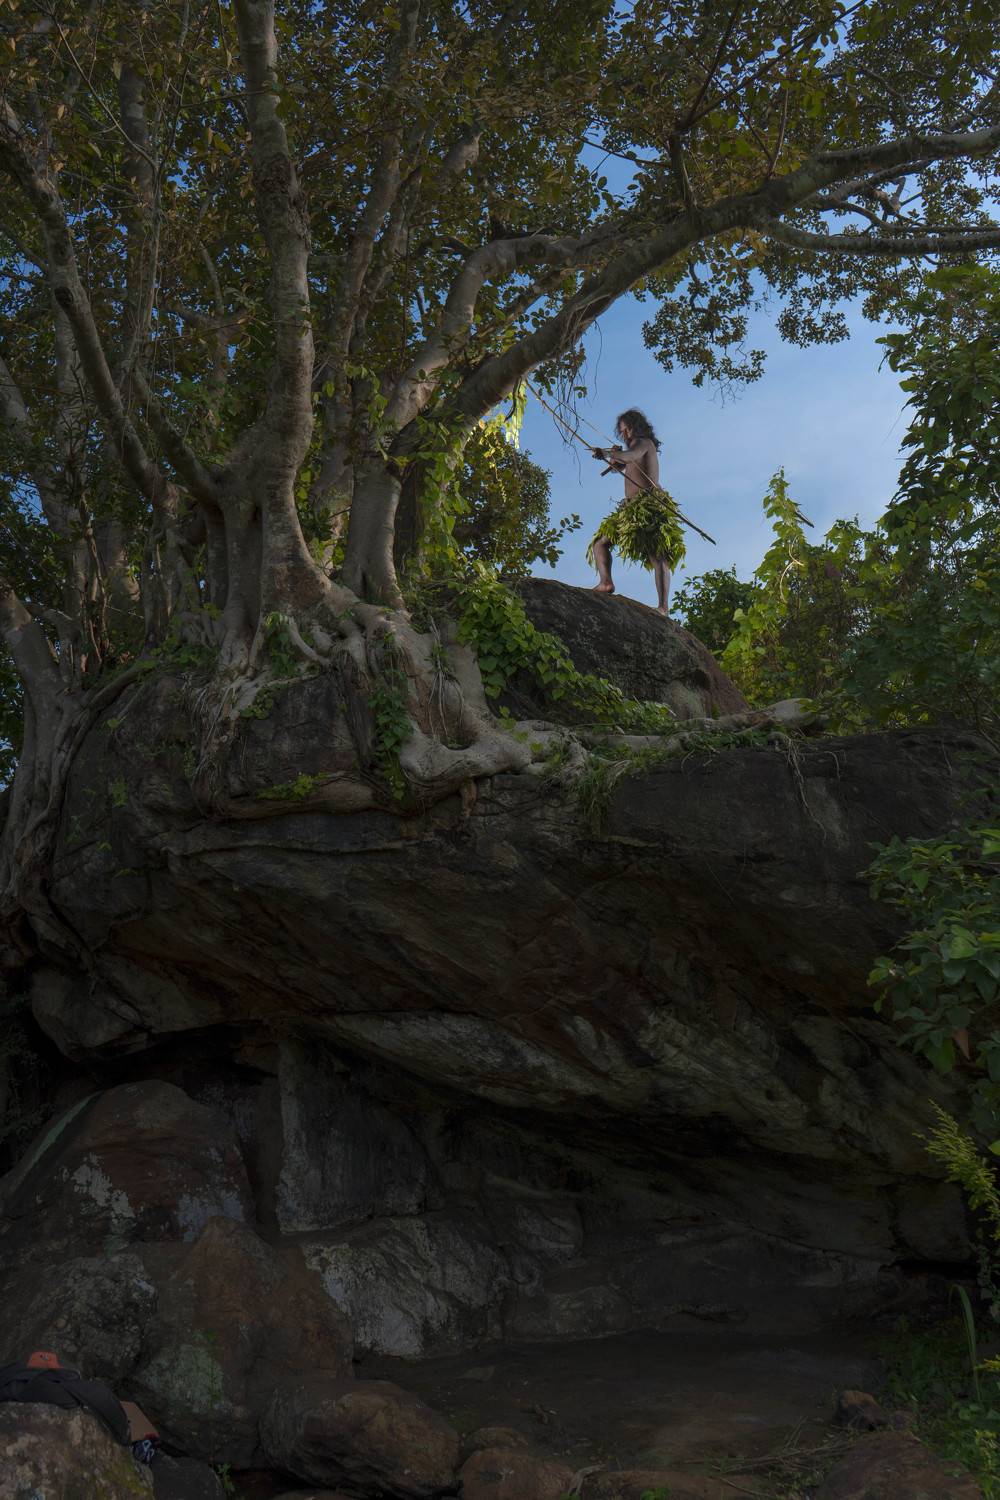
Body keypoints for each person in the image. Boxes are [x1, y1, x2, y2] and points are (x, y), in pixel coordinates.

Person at [588, 409, 685, 616]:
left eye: (628, 429)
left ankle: (663, 607)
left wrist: (608, 453)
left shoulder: (643, 443)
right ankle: (606, 583)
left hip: (648, 507)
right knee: (600, 543)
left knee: (656, 554)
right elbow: (618, 467)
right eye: (622, 431)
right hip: (631, 509)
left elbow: (630, 456)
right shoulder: (632, 448)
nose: (625, 434)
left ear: (637, 427)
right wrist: (612, 458)